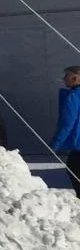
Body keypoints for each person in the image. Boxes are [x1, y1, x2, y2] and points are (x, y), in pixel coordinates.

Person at [52, 66, 80, 197]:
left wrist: (55, 144)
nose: (64, 79)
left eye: (67, 76)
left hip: (78, 148)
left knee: (74, 170)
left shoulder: (73, 96)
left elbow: (67, 124)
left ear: (75, 78)